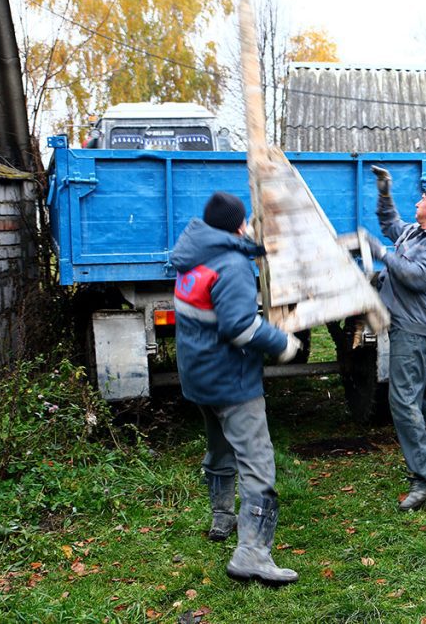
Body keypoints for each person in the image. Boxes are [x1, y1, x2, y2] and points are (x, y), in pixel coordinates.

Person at [171, 191, 303, 586]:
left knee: (219, 447)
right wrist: (283, 344)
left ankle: (221, 517)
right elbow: (240, 327)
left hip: (198, 377)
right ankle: (252, 554)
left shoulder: (192, 255)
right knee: (257, 464)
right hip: (232, 381)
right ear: (238, 225)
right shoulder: (231, 264)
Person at [365, 167, 426, 511]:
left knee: (402, 402)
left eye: (422, 199)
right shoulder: (416, 233)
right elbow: (390, 224)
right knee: (420, 400)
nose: (417, 202)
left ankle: (425, 475)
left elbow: (415, 277)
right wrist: (384, 191)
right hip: (405, 326)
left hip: (415, 330)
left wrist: (382, 254)